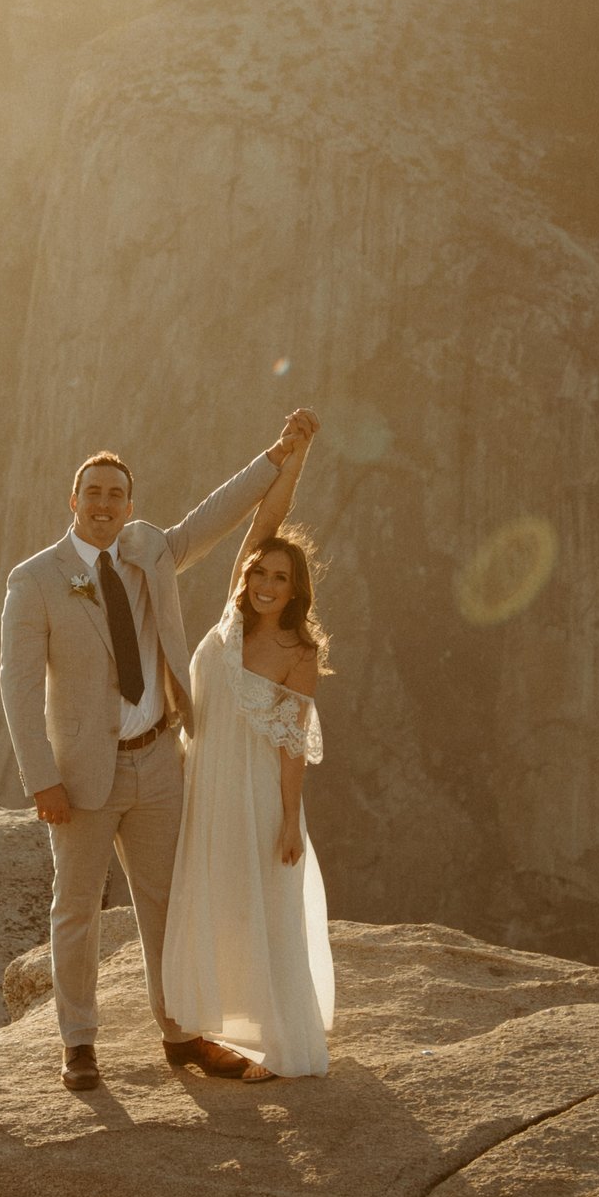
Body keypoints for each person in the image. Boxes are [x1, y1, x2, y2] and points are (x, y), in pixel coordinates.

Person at [0, 410, 319, 1091]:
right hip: (83, 774)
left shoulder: (148, 549)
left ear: (130, 506)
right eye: (95, 493)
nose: (106, 505)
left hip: (158, 760)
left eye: (117, 494)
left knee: (168, 907)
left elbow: (215, 517)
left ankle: (180, 1034)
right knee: (76, 908)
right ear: (74, 502)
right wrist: (40, 780)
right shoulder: (36, 581)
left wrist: (276, 457)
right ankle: (79, 1043)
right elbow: (19, 690)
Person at [161, 449, 334, 1081]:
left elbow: (292, 746)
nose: (265, 584)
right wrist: (291, 457)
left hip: (257, 794)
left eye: (280, 578)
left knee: (258, 909)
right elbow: (266, 519)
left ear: (296, 589)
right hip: (203, 784)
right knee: (218, 904)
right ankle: (220, 1028)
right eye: (260, 572)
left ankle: (278, 1042)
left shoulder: (299, 654)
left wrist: (290, 821)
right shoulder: (232, 619)